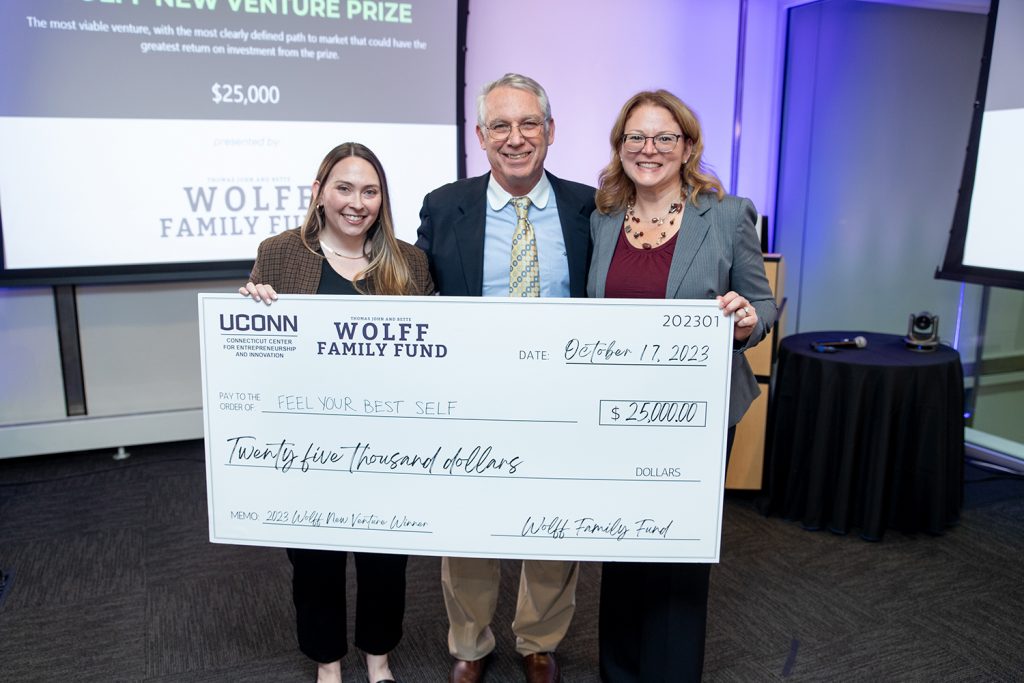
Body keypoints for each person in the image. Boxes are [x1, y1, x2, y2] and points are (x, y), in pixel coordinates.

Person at [587, 90, 777, 682]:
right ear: (620, 148)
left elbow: (763, 304)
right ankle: (619, 670)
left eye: (664, 137)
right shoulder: (602, 219)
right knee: (619, 546)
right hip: (615, 413)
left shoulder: (725, 214)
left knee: (676, 554)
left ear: (688, 146)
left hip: (693, 417)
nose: (649, 150)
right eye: (635, 138)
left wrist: (747, 320)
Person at [415, 73, 594, 683]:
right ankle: (469, 643)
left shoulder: (590, 207)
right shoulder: (445, 206)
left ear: (550, 131)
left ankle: (538, 639)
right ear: (480, 136)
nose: (515, 138)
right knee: (468, 524)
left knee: (554, 522)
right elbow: (410, 293)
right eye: (500, 126)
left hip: (562, 397)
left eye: (528, 124)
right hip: (473, 397)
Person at [239, 142, 434, 683]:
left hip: (386, 440)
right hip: (307, 443)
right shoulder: (280, 254)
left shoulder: (410, 261)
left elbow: (435, 353)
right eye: (344, 188)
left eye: (369, 191)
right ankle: (328, 663)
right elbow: (258, 355)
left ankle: (379, 658)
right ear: (319, 192)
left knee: (385, 560)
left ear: (382, 199)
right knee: (315, 561)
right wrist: (250, 310)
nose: (356, 202)